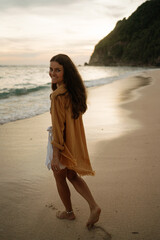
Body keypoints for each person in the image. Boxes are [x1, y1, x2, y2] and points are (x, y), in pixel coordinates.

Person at [48, 54, 101, 229]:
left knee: (59, 177)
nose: (52, 73)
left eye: (57, 70)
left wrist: (56, 155)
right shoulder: (74, 92)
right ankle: (93, 206)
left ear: (66, 72)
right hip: (74, 141)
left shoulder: (58, 96)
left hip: (62, 144)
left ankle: (69, 213)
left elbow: (58, 128)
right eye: (51, 69)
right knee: (71, 175)